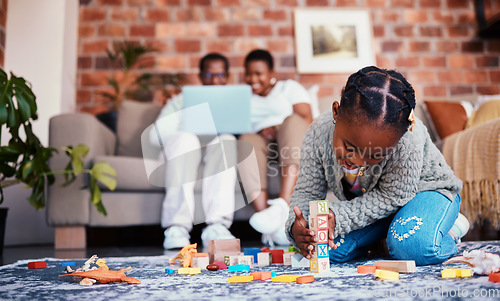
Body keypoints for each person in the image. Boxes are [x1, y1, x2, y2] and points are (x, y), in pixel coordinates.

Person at [285, 66, 470, 265]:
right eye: (349, 146)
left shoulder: (408, 138)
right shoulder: (317, 133)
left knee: (412, 247)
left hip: (426, 193)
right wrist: (299, 228)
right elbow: (307, 192)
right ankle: (388, 237)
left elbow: (392, 196)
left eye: (375, 155)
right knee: (328, 248)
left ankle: (449, 230)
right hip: (377, 208)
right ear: (336, 112)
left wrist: (337, 216)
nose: (356, 160)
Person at [150, 53, 237, 249]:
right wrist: (189, 127)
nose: (215, 81)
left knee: (226, 140)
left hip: (213, 151)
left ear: (228, 76)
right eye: (209, 75)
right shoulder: (181, 100)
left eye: (220, 75)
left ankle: (217, 226)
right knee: (186, 141)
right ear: (200, 76)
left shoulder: (234, 102)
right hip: (183, 147)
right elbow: (154, 136)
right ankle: (176, 227)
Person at [238, 49, 313, 246]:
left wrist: (276, 127)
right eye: (248, 73)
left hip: (289, 139)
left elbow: (305, 117)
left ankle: (282, 205)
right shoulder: (242, 97)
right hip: (260, 143)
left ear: (272, 73)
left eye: (258, 73)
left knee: (293, 121)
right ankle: (268, 222)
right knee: (246, 139)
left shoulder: (288, 88)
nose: (252, 78)